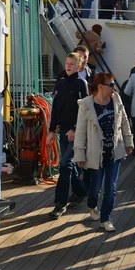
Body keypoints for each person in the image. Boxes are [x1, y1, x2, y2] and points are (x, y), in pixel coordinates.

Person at [74, 73, 133, 232]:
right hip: (95, 152)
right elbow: (80, 131)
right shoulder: (86, 104)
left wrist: (129, 141)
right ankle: (92, 205)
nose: (114, 88)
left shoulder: (116, 99)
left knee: (111, 187)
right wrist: (79, 153)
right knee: (95, 187)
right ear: (100, 87)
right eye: (111, 85)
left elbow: (125, 122)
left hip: (114, 150)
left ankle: (106, 218)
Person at [47, 53, 90, 219]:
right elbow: (56, 108)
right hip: (63, 131)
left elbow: (84, 110)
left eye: (72, 64)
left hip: (76, 132)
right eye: (67, 63)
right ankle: (80, 191)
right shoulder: (60, 83)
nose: (68, 66)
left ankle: (59, 204)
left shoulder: (81, 84)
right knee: (69, 166)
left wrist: (75, 129)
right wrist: (52, 131)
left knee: (65, 165)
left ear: (78, 66)